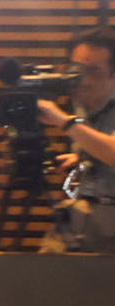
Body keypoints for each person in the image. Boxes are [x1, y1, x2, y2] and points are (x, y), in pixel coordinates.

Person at [41, 27, 115, 252]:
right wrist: (80, 158)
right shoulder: (83, 102)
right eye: (77, 69)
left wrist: (65, 122)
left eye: (94, 71)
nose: (83, 79)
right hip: (87, 215)